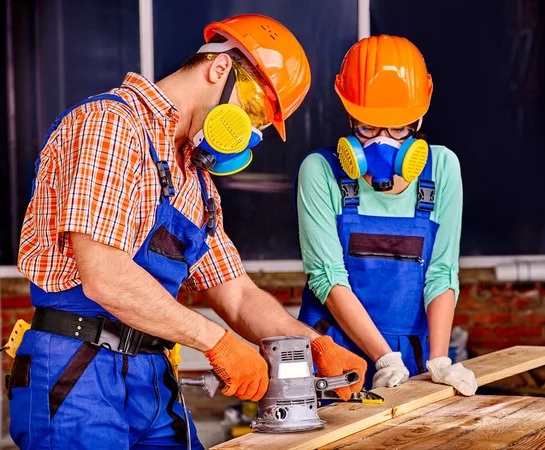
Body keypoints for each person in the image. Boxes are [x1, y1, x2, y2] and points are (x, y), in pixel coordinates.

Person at [10, 14, 366, 449]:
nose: (252, 134)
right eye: (253, 110)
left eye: (263, 126)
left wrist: (312, 345)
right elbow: (105, 276)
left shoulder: (196, 182)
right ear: (219, 69)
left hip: (151, 374)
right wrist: (217, 342)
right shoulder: (110, 125)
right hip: (77, 367)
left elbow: (235, 293)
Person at [296, 35, 477, 395]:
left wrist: (439, 359)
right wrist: (383, 358)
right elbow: (327, 277)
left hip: (413, 355)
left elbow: (442, 272)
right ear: (349, 116)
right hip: (337, 356)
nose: (383, 142)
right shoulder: (321, 171)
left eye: (398, 128)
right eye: (367, 128)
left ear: (418, 118)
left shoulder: (441, 167)